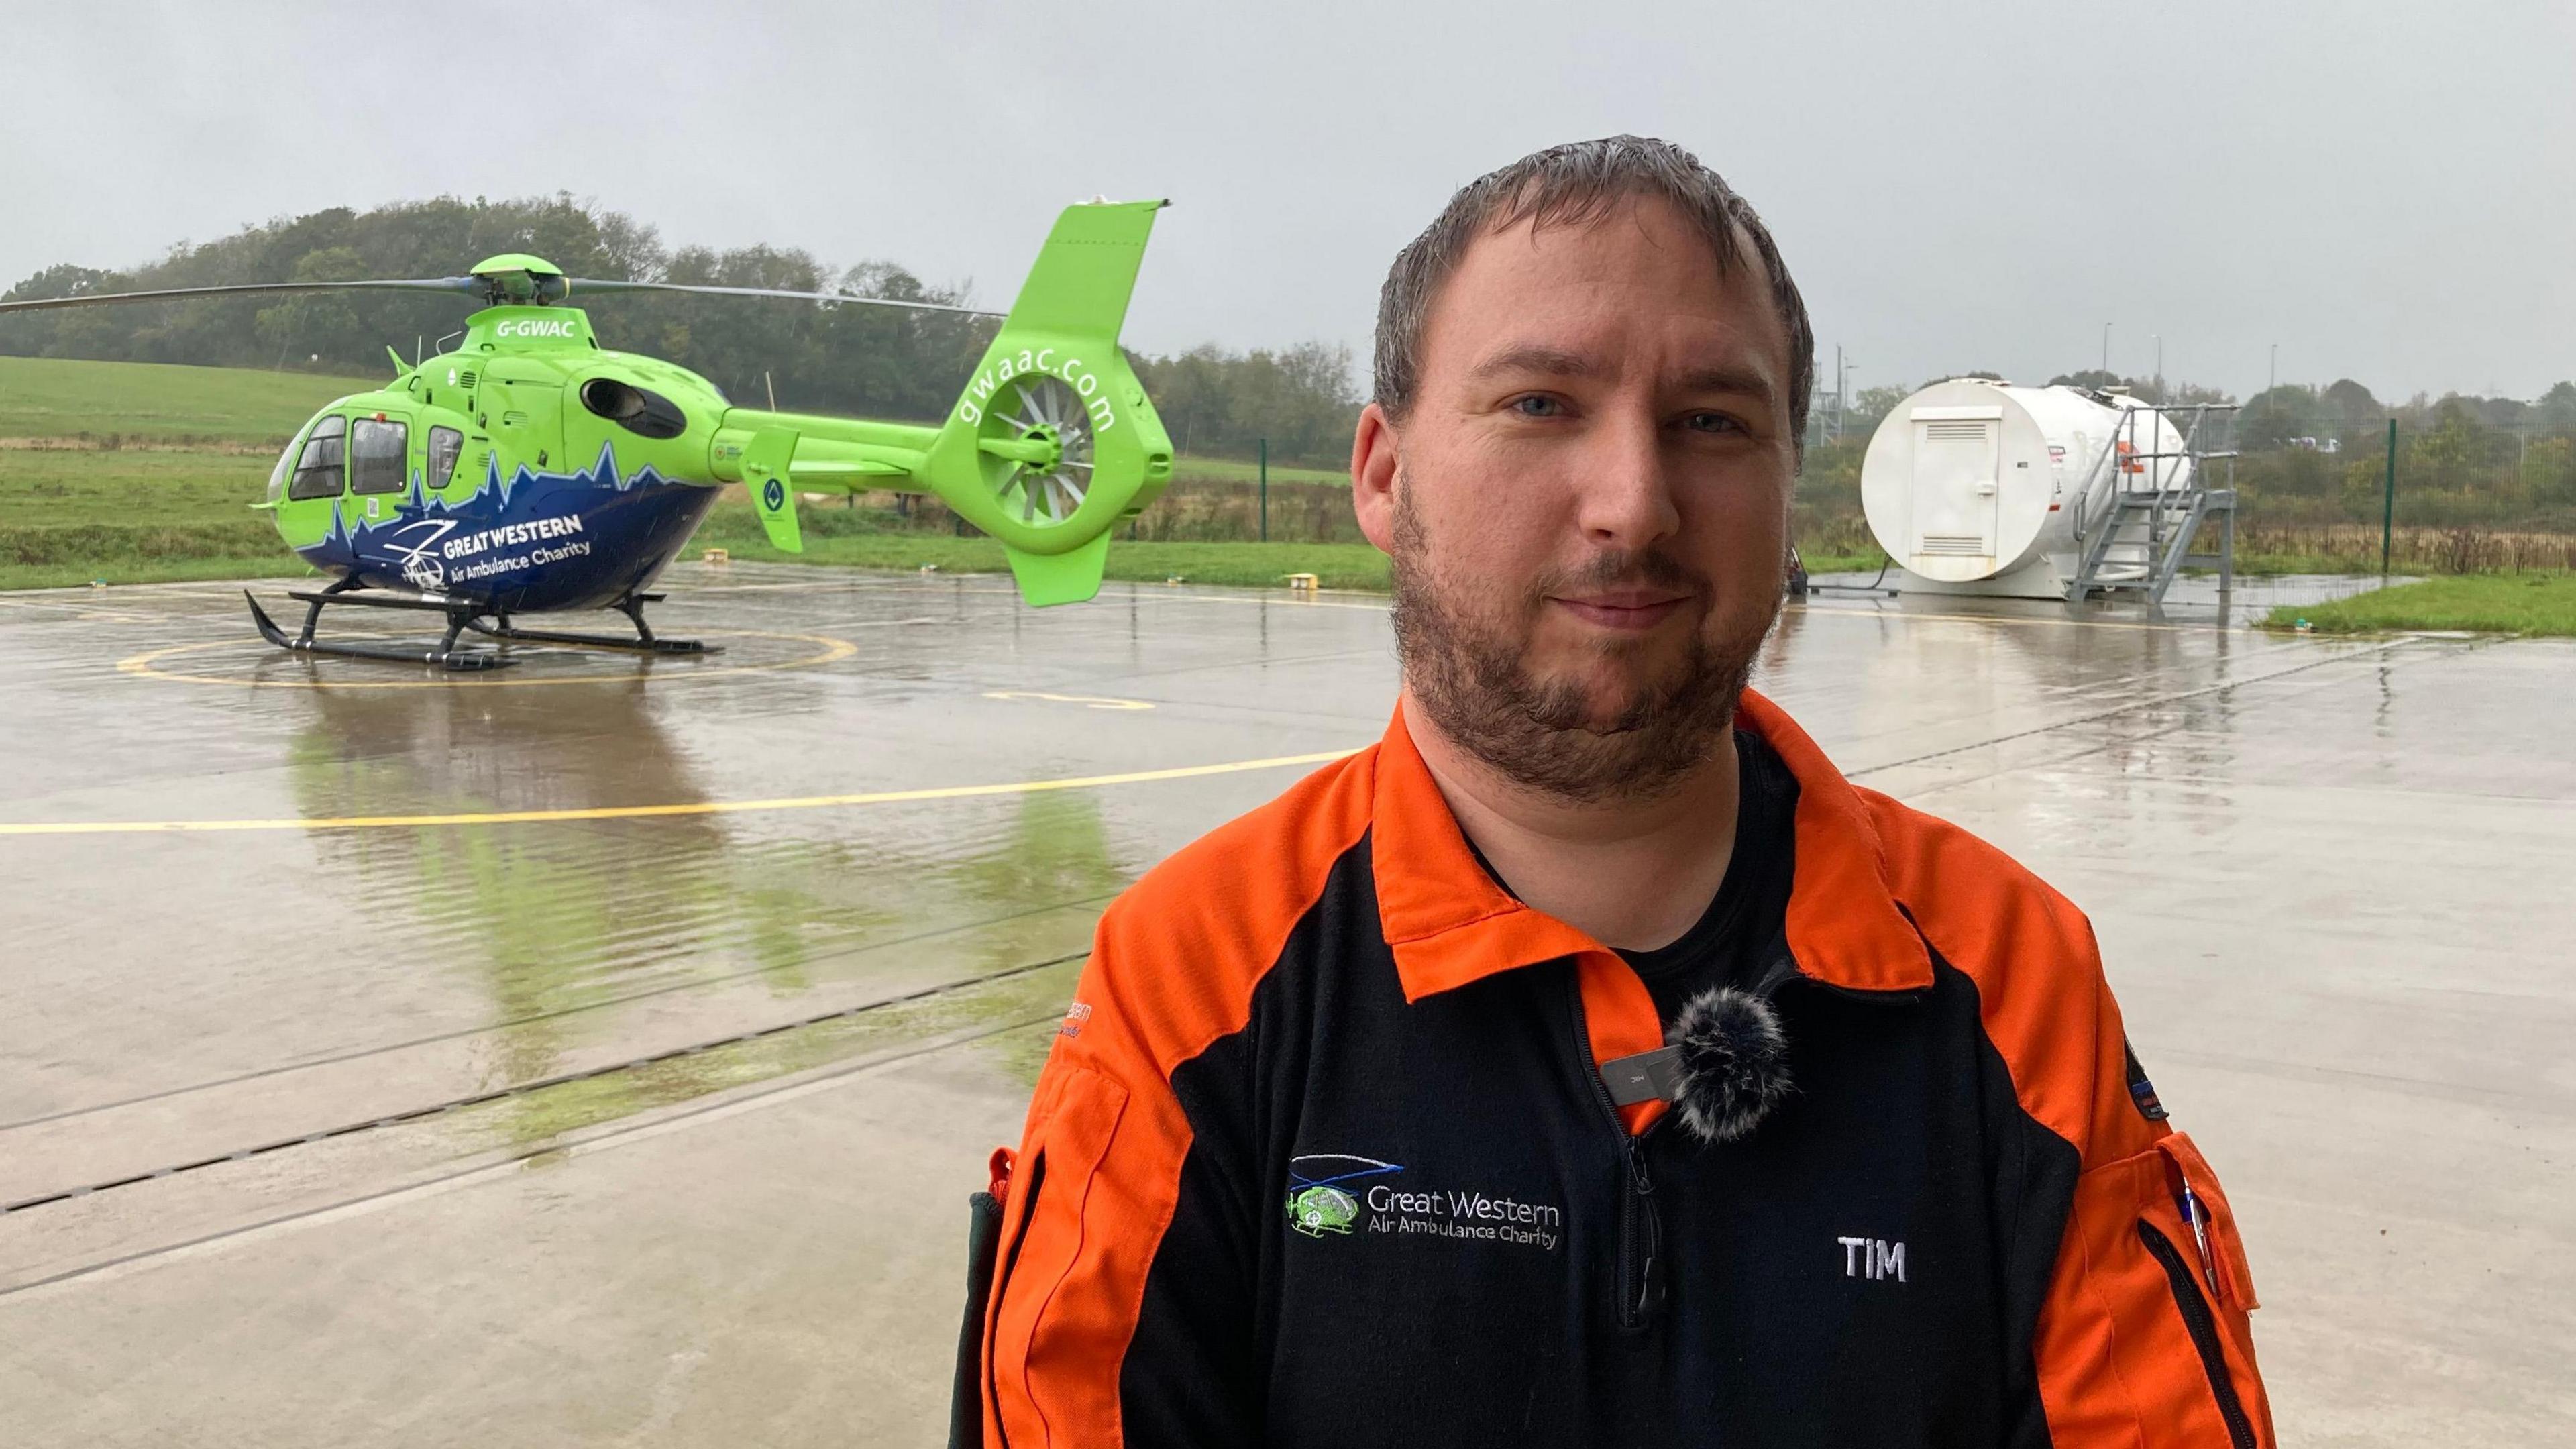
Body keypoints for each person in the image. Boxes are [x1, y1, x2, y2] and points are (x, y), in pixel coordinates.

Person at [959, 136, 2273, 1448]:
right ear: (1382, 472)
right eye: (1540, 403)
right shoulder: (1191, 985)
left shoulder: (2013, 984)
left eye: (1712, 422)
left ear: (1784, 490)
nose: (1634, 505)